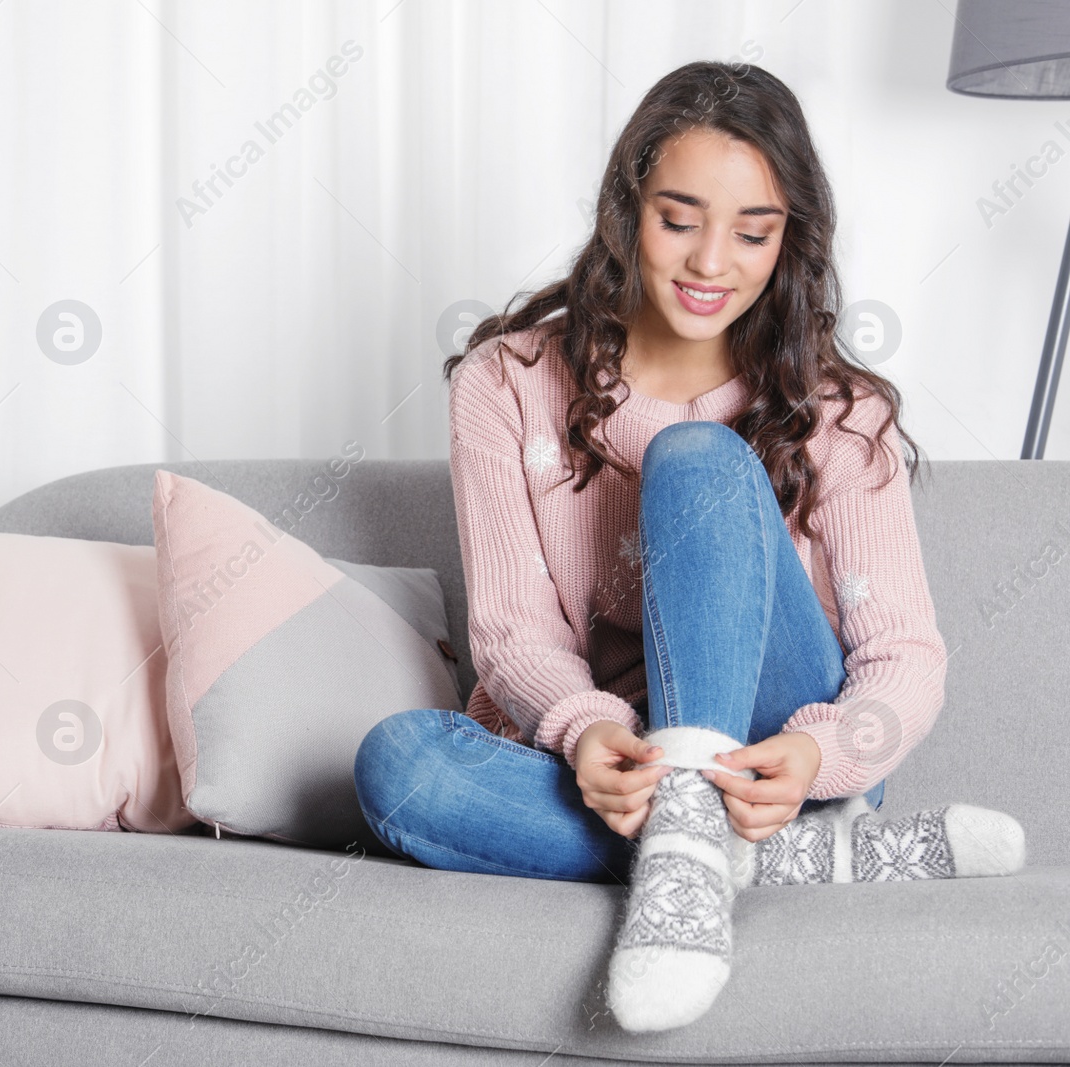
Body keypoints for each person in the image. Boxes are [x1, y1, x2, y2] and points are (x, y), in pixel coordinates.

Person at [352, 60, 1025, 1034]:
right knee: (399, 764)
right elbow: (510, 629)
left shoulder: (841, 409)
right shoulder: (506, 381)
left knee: (699, 458)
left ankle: (699, 850)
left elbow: (904, 659)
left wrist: (817, 750)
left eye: (752, 232)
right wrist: (584, 729)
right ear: (627, 211)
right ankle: (771, 853)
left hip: (768, 755)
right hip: (610, 764)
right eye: (680, 219)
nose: (713, 261)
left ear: (789, 238)